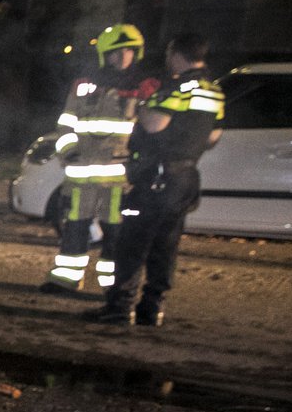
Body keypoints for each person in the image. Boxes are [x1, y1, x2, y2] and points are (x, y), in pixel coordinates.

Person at [84, 33, 225, 326]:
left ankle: (119, 308)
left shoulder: (177, 88)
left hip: (157, 179)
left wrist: (144, 106)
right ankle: (152, 308)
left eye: (170, 54)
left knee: (132, 243)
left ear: (177, 54)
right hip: (186, 178)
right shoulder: (214, 91)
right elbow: (213, 136)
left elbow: (154, 123)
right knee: (165, 246)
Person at [40, 23, 159, 294]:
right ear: (106, 54)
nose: (124, 56)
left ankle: (113, 287)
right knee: (75, 228)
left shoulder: (144, 88)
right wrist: (68, 151)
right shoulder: (84, 85)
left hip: (119, 178)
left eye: (129, 51)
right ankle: (67, 280)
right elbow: (66, 122)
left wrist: (140, 164)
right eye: (118, 51)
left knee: (116, 233)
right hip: (81, 174)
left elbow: (147, 130)